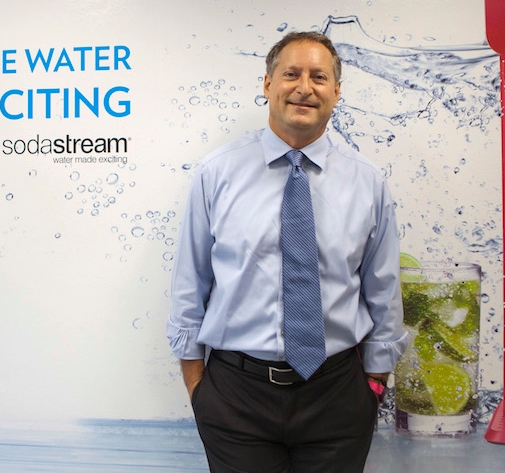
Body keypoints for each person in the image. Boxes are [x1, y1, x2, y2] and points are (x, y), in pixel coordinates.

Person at [166, 31, 407, 472]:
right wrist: (198, 388)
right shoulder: (217, 173)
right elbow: (190, 285)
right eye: (291, 73)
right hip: (235, 395)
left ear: (336, 92)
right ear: (267, 84)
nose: (304, 87)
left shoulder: (367, 182)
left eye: (319, 77)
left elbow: (383, 290)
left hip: (337, 394)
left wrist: (373, 386)